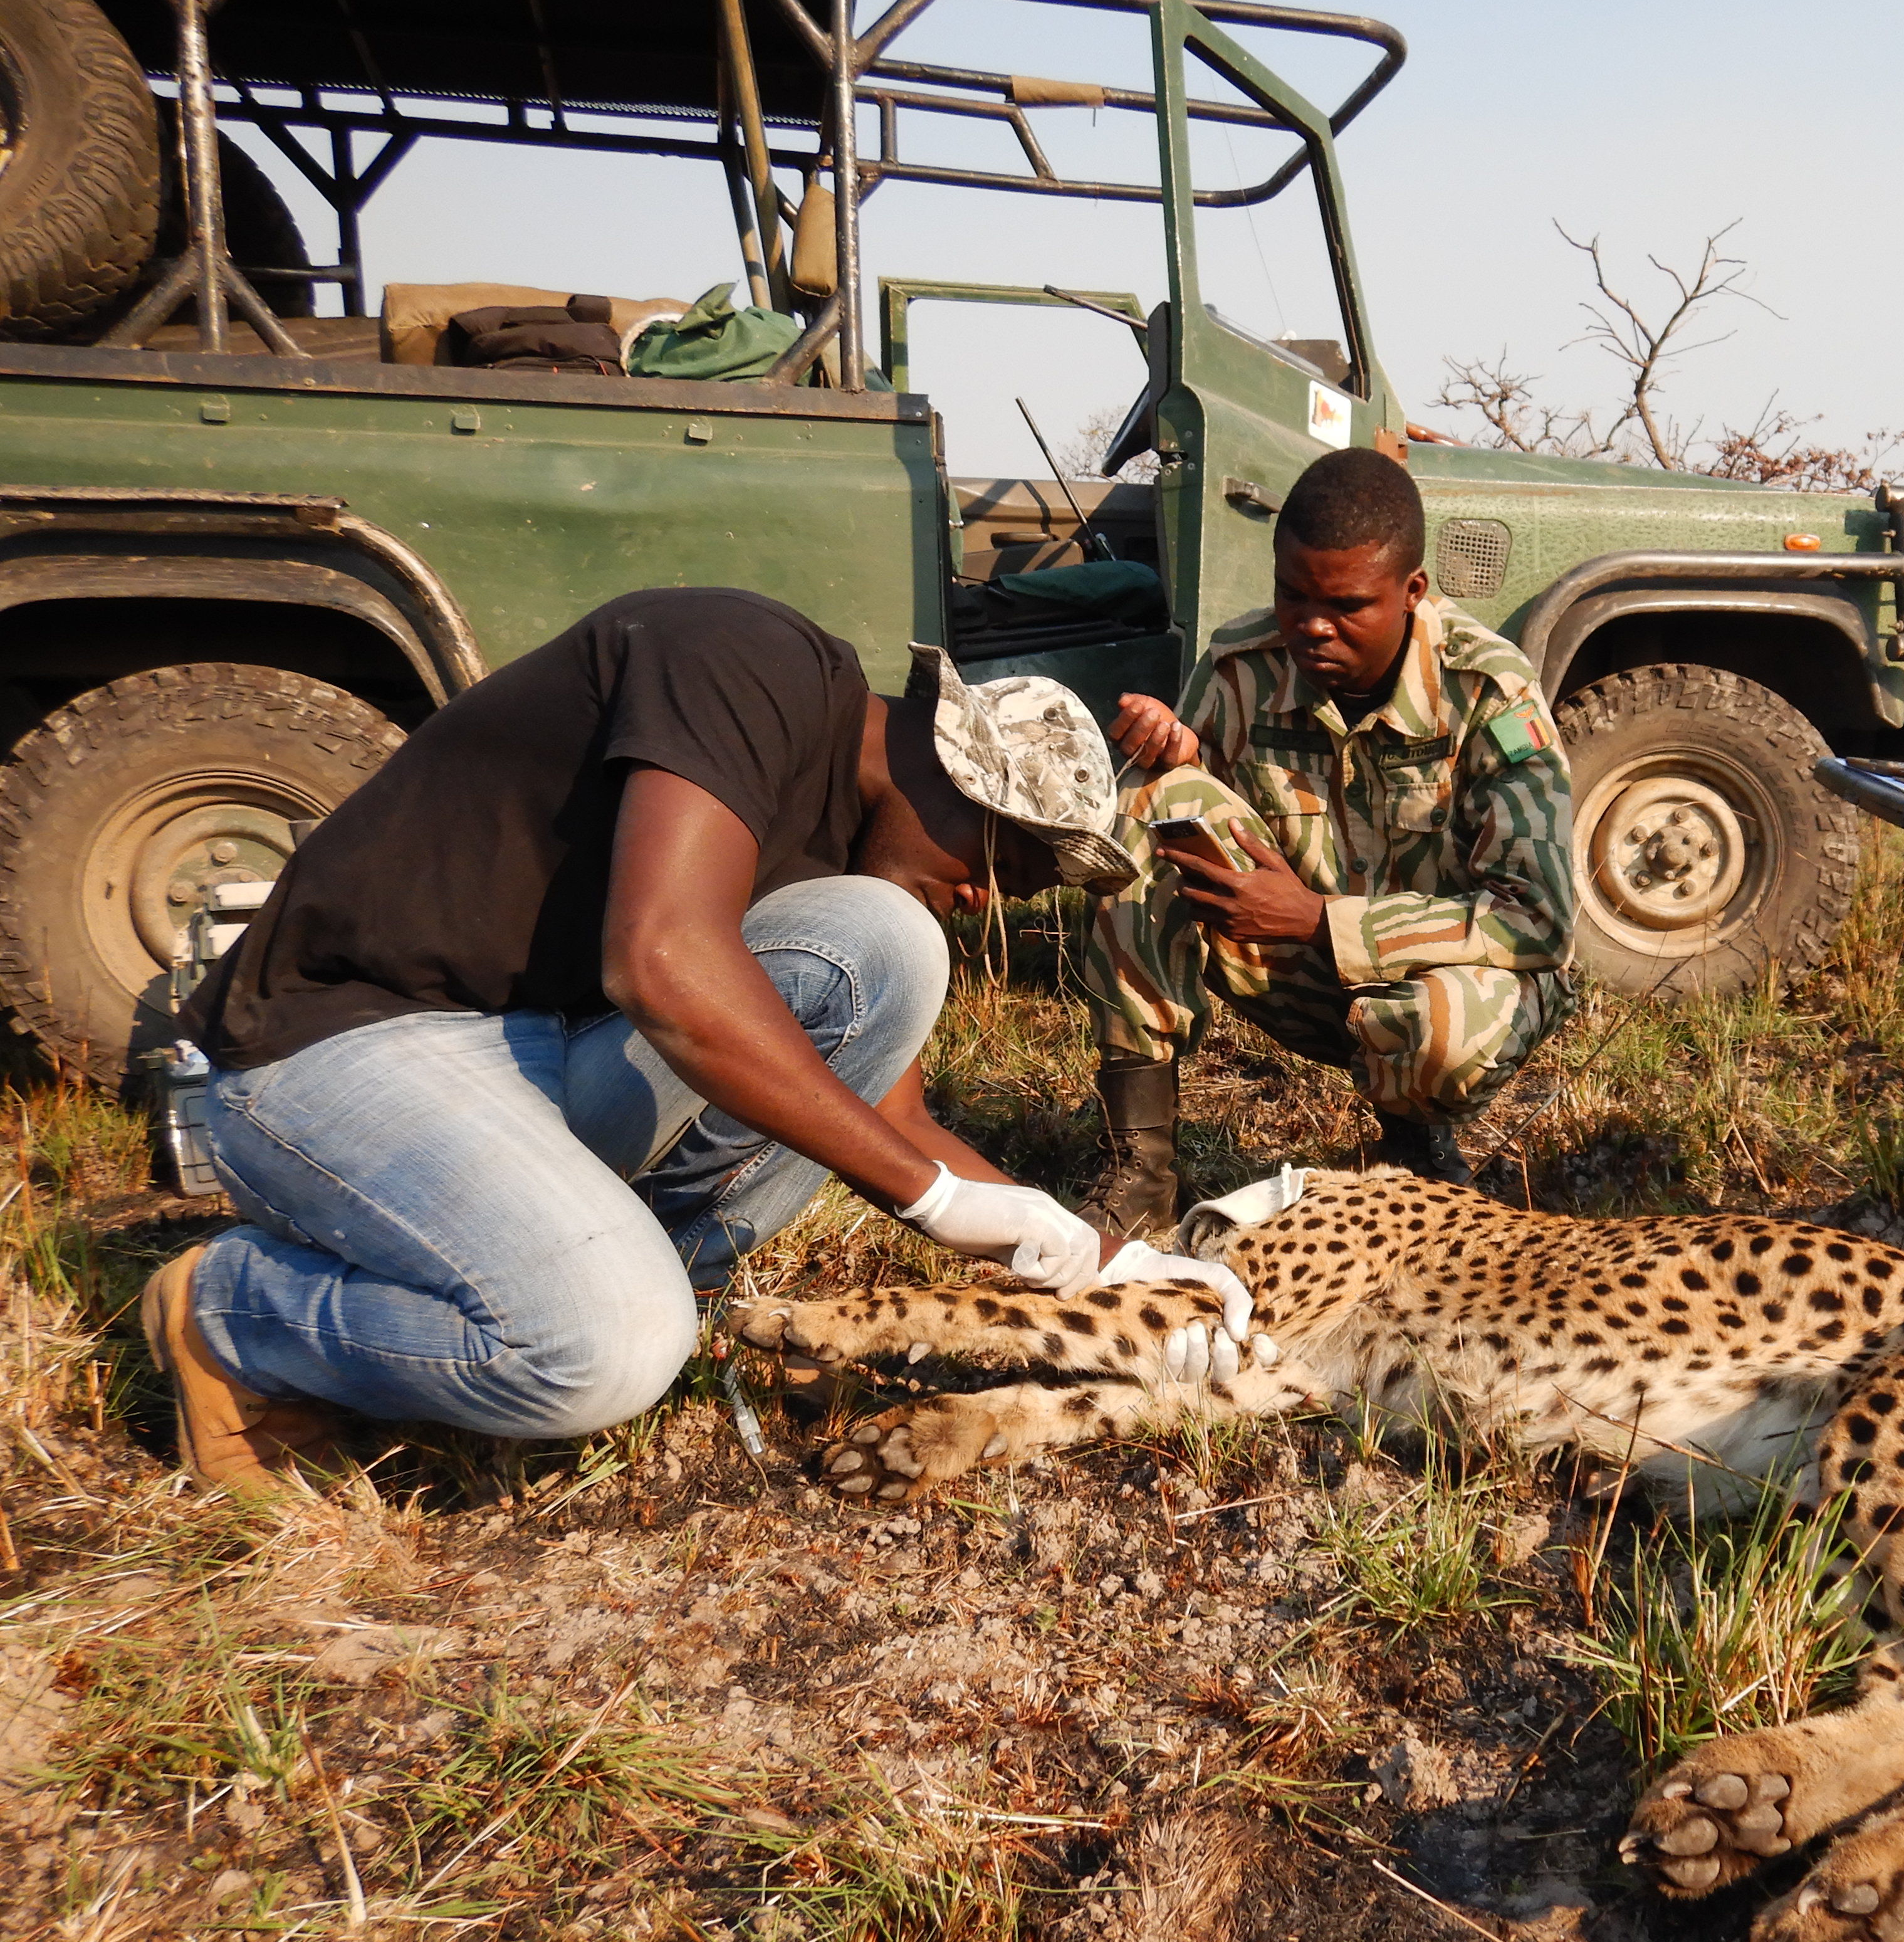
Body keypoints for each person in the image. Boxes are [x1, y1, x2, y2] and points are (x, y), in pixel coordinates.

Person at [141, 588, 1251, 1495]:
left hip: (523, 1053)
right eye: (1005, 862)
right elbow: (660, 964)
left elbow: (891, 1124)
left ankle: (676, 1294)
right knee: (595, 1351)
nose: (987, 896)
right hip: (331, 1041)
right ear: (960, 771)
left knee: (889, 946)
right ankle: (236, 1314)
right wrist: (934, 1201)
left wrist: (1097, 1262)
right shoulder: (745, 661)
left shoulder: (853, 860)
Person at [1074, 448, 1576, 1231]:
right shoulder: (1243, 668)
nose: (1312, 625)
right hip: (1297, 975)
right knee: (1149, 801)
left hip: (1453, 986)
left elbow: (1539, 920)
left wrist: (1319, 921)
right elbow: (1194, 814)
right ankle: (1138, 1169)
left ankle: (1416, 1147)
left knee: (1440, 1029)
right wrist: (1176, 758)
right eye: (1292, 594)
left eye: (1346, 605)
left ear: (1413, 592)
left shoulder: (1488, 693)